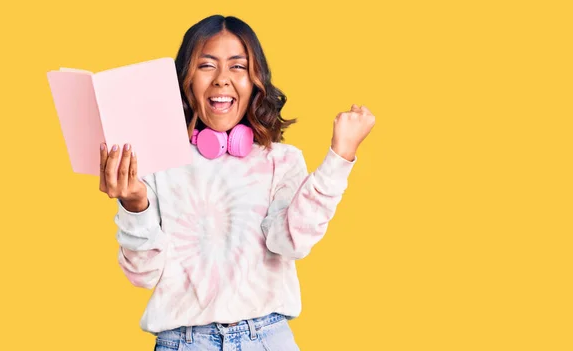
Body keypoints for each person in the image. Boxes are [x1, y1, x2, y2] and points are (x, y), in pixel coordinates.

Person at [98, 14, 375, 351]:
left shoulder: (281, 160)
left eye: (238, 67)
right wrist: (134, 204)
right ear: (185, 80)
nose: (222, 80)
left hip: (268, 340)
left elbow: (291, 242)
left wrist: (339, 157)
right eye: (206, 66)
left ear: (255, 80)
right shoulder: (156, 160)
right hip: (184, 343)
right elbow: (143, 274)